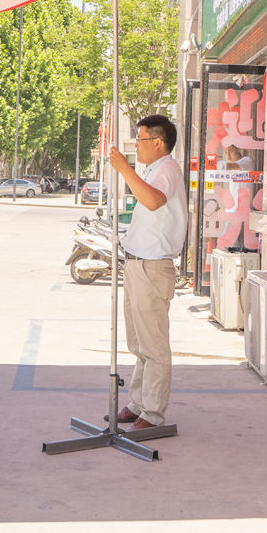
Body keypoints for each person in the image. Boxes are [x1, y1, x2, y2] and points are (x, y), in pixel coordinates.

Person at [107, 114, 187, 431]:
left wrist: (124, 169)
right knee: (139, 343)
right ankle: (138, 404)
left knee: (153, 346)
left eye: (140, 139)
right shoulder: (153, 170)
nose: (137, 145)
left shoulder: (167, 169)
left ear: (157, 142)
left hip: (152, 267)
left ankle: (152, 415)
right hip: (137, 264)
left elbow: (153, 201)